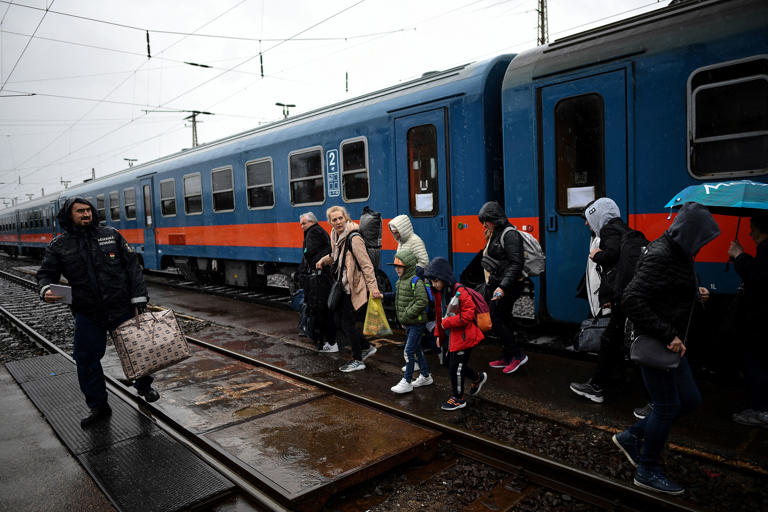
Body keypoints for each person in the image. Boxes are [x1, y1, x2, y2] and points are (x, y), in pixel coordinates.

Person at [613, 202, 718, 495]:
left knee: (690, 400)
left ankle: (632, 436)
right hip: (657, 343)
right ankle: (647, 469)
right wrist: (667, 334)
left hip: (672, 344)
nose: (702, 246)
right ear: (690, 234)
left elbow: (664, 290)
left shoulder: (679, 252)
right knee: (668, 405)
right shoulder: (662, 255)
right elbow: (632, 298)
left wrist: (693, 294)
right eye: (702, 240)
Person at [36, 197, 159, 428]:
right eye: (80, 211)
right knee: (86, 359)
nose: (86, 214)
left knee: (137, 351)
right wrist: (45, 289)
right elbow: (45, 274)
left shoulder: (110, 235)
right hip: (88, 312)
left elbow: (133, 267)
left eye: (88, 210)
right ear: (68, 215)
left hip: (120, 306)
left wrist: (139, 299)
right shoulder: (59, 245)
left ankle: (144, 386)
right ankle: (99, 407)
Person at [570, 198, 630, 403]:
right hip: (619, 293)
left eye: (589, 218)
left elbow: (612, 257)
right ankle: (614, 378)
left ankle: (596, 386)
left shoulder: (609, 231)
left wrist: (596, 255)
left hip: (613, 295)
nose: (587, 223)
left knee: (608, 338)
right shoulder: (621, 228)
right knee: (612, 339)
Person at [316, 206, 382, 372]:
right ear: (329, 222)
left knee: (347, 323)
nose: (338, 222)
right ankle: (366, 347)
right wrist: (323, 261)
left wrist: (373, 288)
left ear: (346, 218)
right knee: (339, 321)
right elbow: (335, 256)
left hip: (354, 287)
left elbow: (367, 265)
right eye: (334, 219)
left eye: (340, 218)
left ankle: (357, 359)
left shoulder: (354, 238)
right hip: (342, 285)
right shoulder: (335, 236)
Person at [424, 257, 488, 410]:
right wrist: (439, 335)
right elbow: (440, 316)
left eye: (435, 281)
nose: (433, 284)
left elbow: (468, 315)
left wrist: (447, 324)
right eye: (432, 282)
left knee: (456, 368)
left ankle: (458, 398)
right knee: (448, 363)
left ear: (443, 277)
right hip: (453, 336)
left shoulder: (460, 291)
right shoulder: (442, 292)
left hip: (465, 336)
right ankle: (478, 378)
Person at [727, 213, 768, 428]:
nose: (750, 233)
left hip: (760, 321)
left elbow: (759, 277)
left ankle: (762, 410)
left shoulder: (766, 250)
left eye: (753, 228)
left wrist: (740, 255)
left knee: (757, 361)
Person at [477, 201, 528, 374]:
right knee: (504, 319)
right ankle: (507, 355)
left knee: (494, 319)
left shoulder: (510, 234)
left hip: (508, 286)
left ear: (495, 218)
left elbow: (516, 264)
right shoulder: (495, 232)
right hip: (498, 284)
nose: (484, 224)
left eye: (486, 220)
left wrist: (503, 287)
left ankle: (517, 355)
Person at [387, 250, 434, 393]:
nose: (397, 269)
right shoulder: (400, 282)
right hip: (408, 323)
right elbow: (399, 302)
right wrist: (402, 319)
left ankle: (407, 380)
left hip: (417, 323)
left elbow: (422, 301)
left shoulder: (416, 281)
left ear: (408, 266)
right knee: (417, 349)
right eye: (396, 266)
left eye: (400, 267)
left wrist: (406, 315)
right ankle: (425, 376)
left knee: (408, 351)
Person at [298, 212, 335, 351]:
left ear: (312, 222)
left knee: (319, 309)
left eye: (304, 223)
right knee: (320, 309)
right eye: (301, 224)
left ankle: (322, 341)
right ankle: (323, 339)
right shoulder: (316, 231)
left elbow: (308, 252)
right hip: (320, 276)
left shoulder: (313, 232)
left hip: (318, 278)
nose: (302, 226)